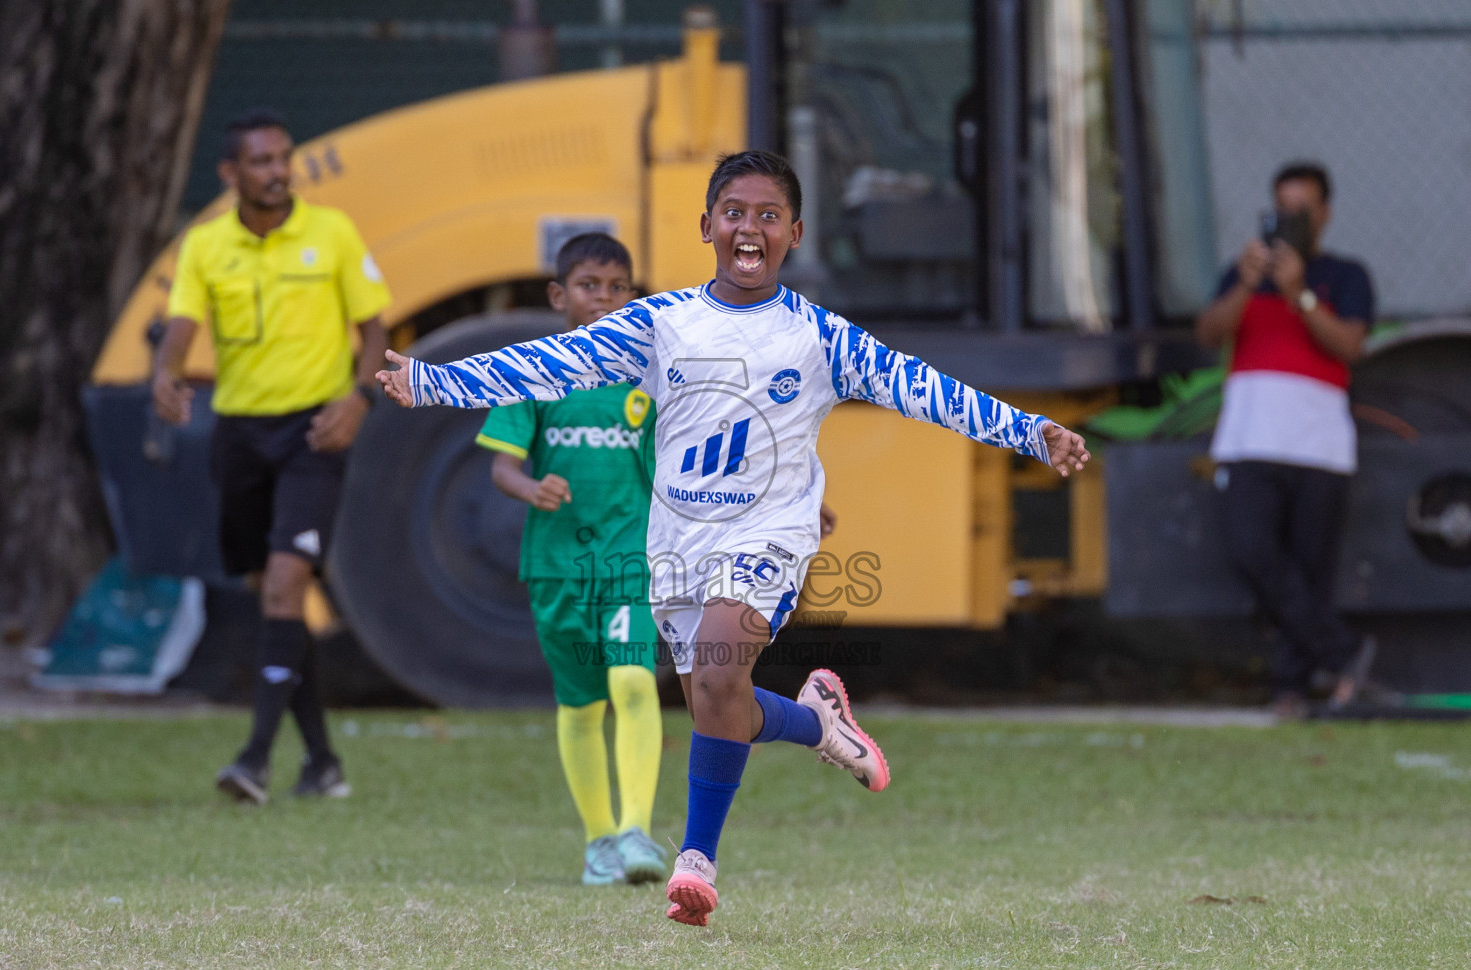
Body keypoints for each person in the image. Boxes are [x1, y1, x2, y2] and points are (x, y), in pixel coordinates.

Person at [376, 151, 1090, 925]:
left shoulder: (820, 337)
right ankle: (818, 720)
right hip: (677, 543)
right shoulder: (659, 325)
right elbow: (550, 363)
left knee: (719, 669)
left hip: (769, 537)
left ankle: (697, 862)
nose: (751, 227)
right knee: (723, 704)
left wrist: (1029, 430)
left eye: (769, 215)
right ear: (708, 226)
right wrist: (433, 381)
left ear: (795, 233)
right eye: (736, 213)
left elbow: (924, 389)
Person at [154, 109, 392, 803]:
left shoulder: (333, 233)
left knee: (288, 585)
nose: (277, 170)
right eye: (261, 161)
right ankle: (321, 761)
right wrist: (166, 376)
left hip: (311, 434)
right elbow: (180, 327)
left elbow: (376, 327)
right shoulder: (204, 246)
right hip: (238, 437)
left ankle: (253, 760)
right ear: (231, 174)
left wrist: (357, 401)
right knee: (276, 600)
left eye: (283, 157)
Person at [473, 233, 670, 886]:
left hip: (629, 561)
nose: (606, 301)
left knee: (635, 682)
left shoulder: (650, 376)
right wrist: (533, 487)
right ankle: (599, 843)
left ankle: (639, 830)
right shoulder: (532, 371)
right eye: (591, 287)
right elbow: (503, 467)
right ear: (560, 295)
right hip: (557, 567)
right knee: (582, 706)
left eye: (619, 289)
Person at [1194, 162, 1376, 717]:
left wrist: (1300, 295)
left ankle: (1291, 690)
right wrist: (1250, 286)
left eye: (1301, 209)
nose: (1289, 220)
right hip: (1250, 440)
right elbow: (1209, 335)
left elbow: (1349, 346)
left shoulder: (1345, 276)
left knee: (1309, 569)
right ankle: (1345, 654)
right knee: (1253, 554)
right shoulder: (1240, 274)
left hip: (1318, 445)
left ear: (1323, 214)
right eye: (1280, 208)